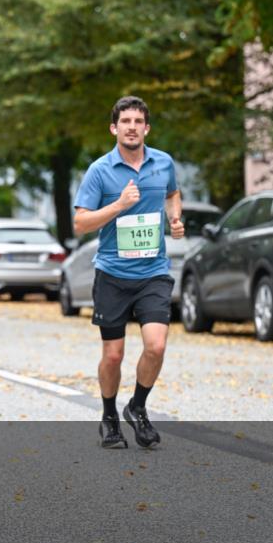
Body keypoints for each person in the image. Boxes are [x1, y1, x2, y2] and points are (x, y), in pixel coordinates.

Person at [73, 96, 184, 450]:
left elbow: (173, 193)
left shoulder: (163, 162)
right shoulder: (99, 170)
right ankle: (109, 416)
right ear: (114, 128)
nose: (132, 127)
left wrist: (175, 218)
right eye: (125, 121)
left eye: (138, 122)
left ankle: (137, 406)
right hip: (113, 274)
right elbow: (80, 223)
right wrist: (119, 205)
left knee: (157, 345)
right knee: (113, 354)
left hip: (153, 272)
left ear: (146, 128)